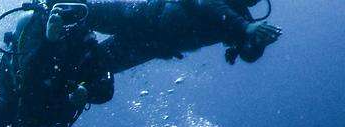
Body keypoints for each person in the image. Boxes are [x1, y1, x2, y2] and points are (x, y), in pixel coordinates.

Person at [85, 0, 282, 73]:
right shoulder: (241, 23)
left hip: (149, 46)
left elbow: (248, 55)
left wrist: (259, 42)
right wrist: (246, 28)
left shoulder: (242, 22)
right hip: (141, 16)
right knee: (79, 11)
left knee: (90, 68)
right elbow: (205, 4)